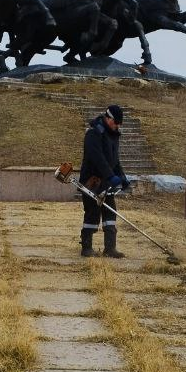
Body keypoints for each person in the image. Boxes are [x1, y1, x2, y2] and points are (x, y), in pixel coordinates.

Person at [78, 105, 130, 258]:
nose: (117, 126)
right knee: (92, 213)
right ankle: (86, 247)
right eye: (116, 123)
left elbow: (115, 160)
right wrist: (110, 175)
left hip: (107, 182)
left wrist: (122, 176)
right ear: (108, 118)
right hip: (92, 181)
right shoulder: (94, 133)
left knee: (110, 213)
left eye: (120, 124)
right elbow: (97, 159)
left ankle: (110, 248)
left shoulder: (113, 134)